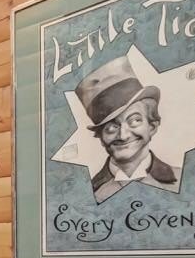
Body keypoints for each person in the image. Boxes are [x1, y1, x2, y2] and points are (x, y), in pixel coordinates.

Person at [75, 55, 181, 204]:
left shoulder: (182, 179)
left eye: (134, 121)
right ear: (101, 137)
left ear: (152, 126)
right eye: (111, 127)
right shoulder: (85, 195)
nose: (123, 135)